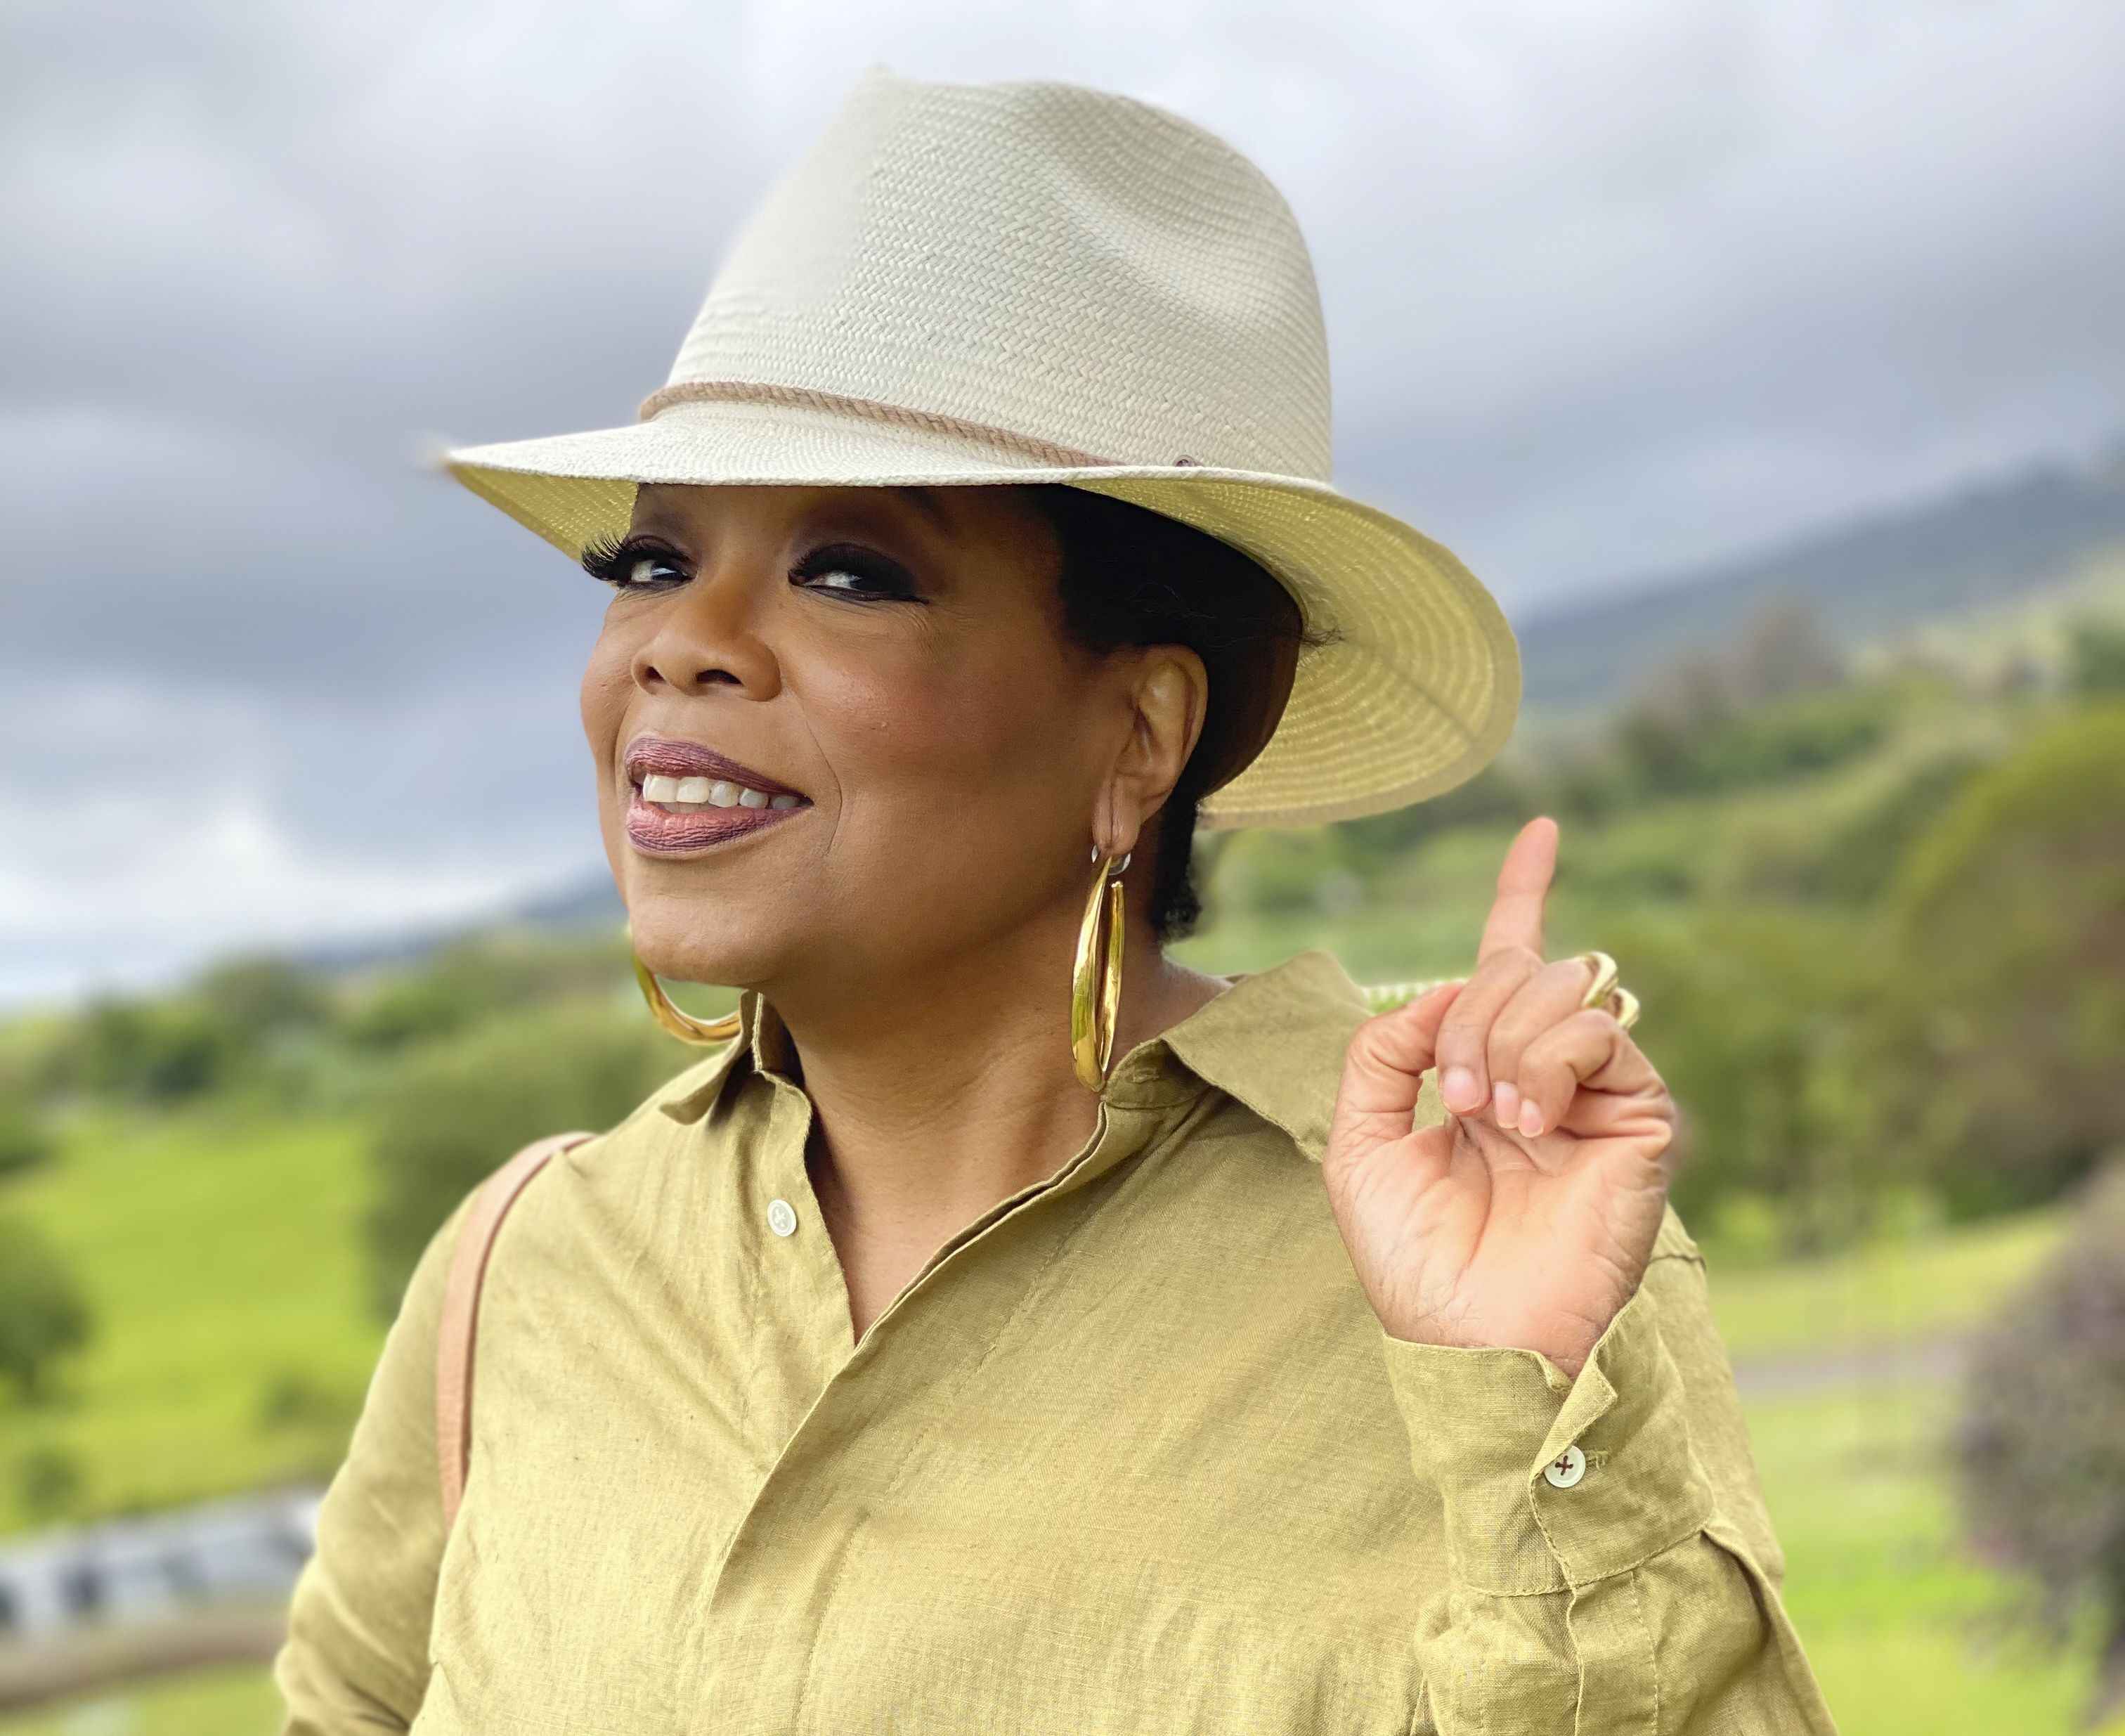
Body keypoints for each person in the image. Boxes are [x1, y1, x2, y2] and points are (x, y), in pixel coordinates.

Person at [275, 68, 1836, 1735]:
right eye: (651, 563)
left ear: (1138, 729)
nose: (679, 641)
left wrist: (1520, 1403)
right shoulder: (528, 1266)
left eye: (849, 570)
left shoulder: (1473, 1259)